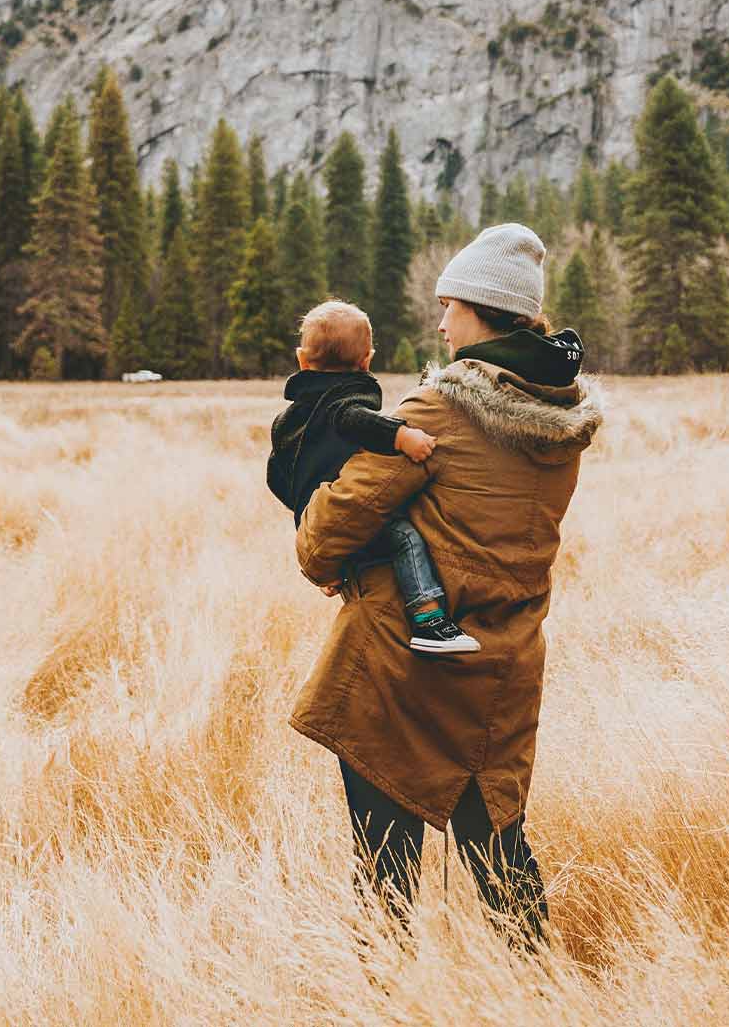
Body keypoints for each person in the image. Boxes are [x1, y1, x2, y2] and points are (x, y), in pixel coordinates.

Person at [290, 222, 601, 944]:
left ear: (483, 311)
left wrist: (320, 540)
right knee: (499, 856)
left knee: (385, 873)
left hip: (402, 672)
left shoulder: (438, 411)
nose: (440, 322)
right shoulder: (560, 418)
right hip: (503, 669)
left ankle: (380, 1002)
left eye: (450, 305)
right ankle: (535, 996)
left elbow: (328, 533)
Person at [265, 300, 479, 654]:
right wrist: (402, 437)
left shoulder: (291, 420)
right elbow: (354, 419)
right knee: (405, 538)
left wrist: (305, 513)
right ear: (367, 360)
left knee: (364, 553)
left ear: (302, 360)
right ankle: (428, 619)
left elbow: (275, 477)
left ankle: (339, 568)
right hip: (342, 515)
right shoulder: (343, 401)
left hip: (312, 517)